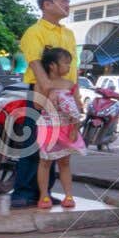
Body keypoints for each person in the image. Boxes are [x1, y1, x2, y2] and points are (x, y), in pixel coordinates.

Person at [12, 0, 75, 208]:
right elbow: (35, 62)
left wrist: (75, 97)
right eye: (64, 1)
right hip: (40, 91)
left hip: (65, 93)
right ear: (47, 5)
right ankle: (21, 193)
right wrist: (47, 90)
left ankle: (43, 193)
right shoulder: (34, 32)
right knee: (33, 142)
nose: (68, 4)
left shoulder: (68, 34)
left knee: (56, 145)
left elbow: (73, 67)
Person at [33, 47, 81, 210]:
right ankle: (43, 195)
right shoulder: (42, 84)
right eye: (66, 63)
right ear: (53, 65)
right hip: (47, 129)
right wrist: (49, 94)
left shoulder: (70, 84)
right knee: (45, 162)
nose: (69, 67)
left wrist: (75, 129)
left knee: (65, 162)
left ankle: (68, 195)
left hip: (67, 128)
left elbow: (76, 108)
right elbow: (36, 105)